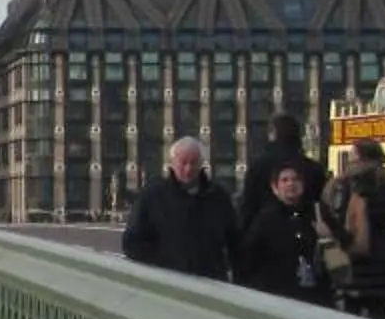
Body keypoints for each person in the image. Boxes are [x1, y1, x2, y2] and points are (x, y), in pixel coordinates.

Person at [322, 139, 385, 319]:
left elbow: (333, 221)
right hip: (382, 263)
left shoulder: (344, 186)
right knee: (379, 318)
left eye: (352, 158)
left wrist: (344, 243)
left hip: (351, 262)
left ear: (360, 160)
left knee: (351, 318)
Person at [123, 135, 235, 279]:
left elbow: (234, 242)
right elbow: (131, 243)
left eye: (193, 163)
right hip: (168, 283)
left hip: (212, 283)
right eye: (183, 163)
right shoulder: (153, 196)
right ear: (172, 163)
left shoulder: (218, 197)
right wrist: (166, 261)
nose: (188, 169)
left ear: (202, 164)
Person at [232, 160, 336, 306]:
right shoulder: (266, 219)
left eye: (295, 179)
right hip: (279, 295)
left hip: (315, 295)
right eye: (284, 180)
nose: (290, 184)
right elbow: (249, 256)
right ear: (275, 187)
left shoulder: (317, 214)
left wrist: (328, 236)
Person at [237, 110, 326, 230]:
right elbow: (321, 208)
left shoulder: (258, 167)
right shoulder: (314, 169)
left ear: (273, 134)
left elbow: (247, 209)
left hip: (266, 237)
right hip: (303, 237)